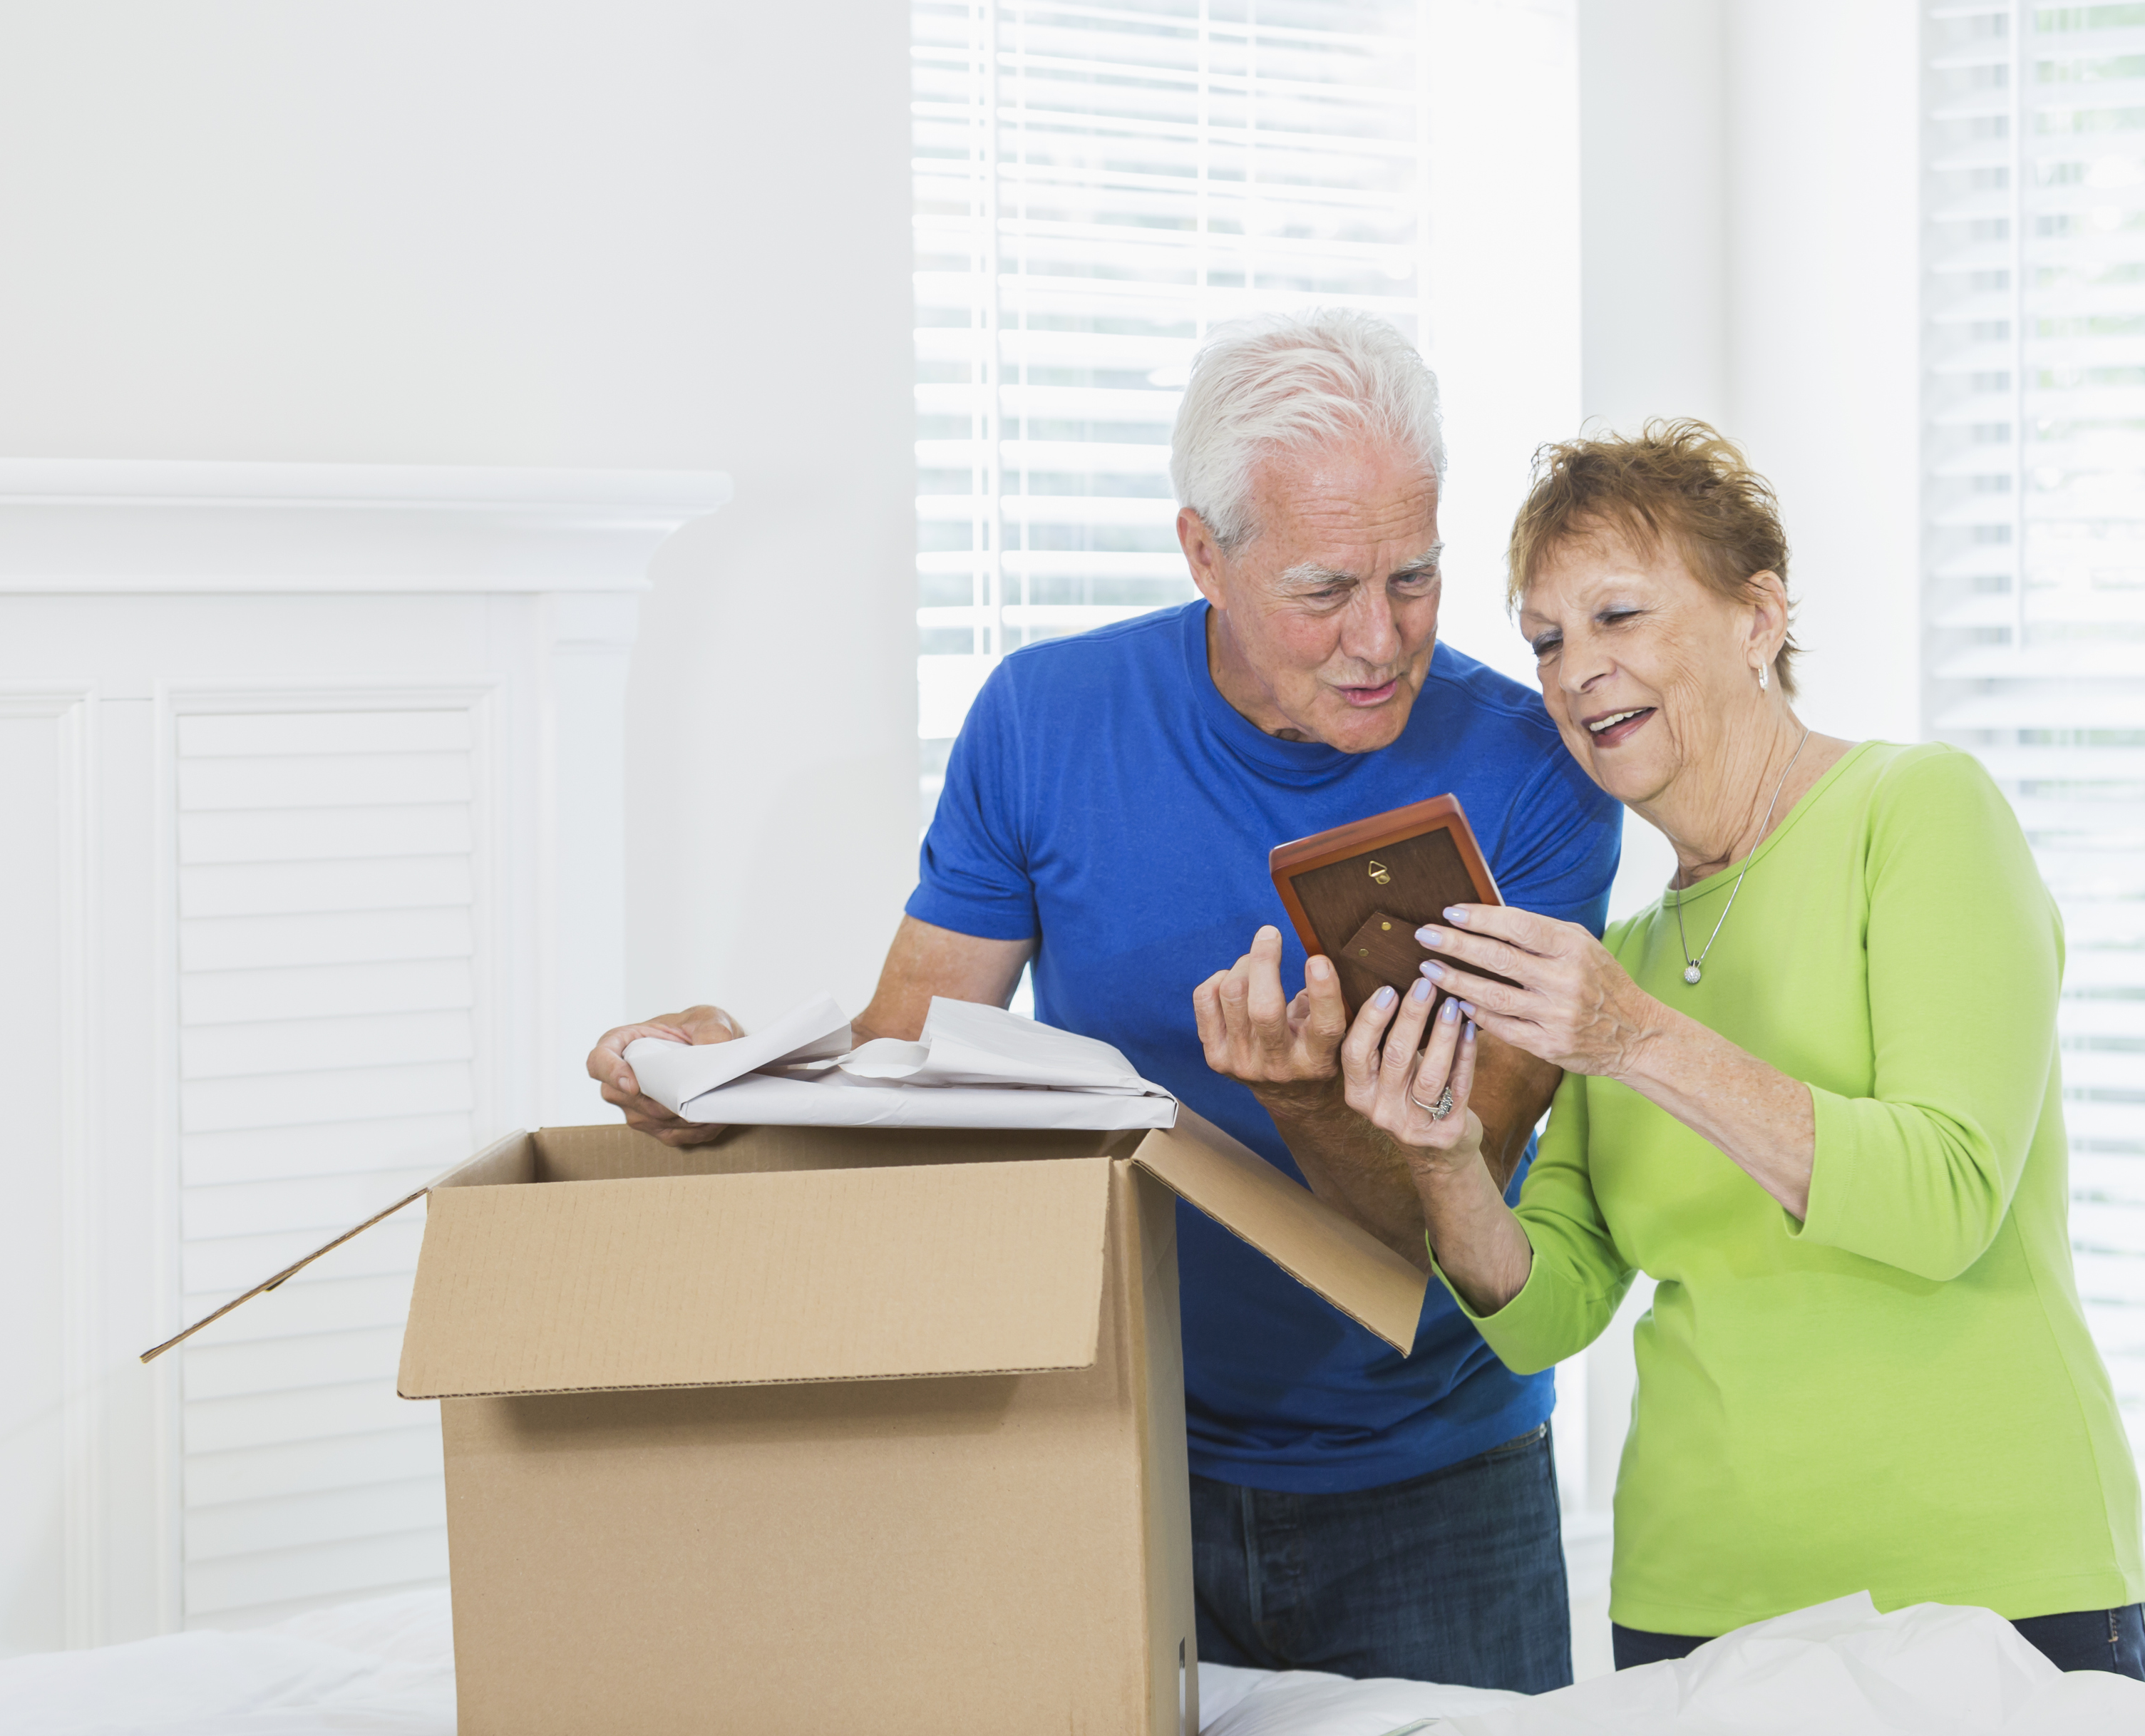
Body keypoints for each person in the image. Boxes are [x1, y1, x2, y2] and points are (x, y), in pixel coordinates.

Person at [585, 310, 1619, 1693]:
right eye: (1326, 590)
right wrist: (734, 1083)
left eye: (1415, 577)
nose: (1382, 639)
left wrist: (1304, 1098)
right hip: (1116, 1452)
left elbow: (1463, 1200)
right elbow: (907, 1063)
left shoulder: (1530, 771)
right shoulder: (1042, 719)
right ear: (1204, 551)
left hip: (1435, 1484)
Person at [1343, 421, 2145, 1680]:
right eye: (1547, 641)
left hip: (1986, 1593)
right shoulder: (1620, 952)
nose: (1575, 672)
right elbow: (1548, 1308)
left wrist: (1637, 1039)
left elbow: (1945, 1201)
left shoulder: (1920, 812)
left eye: (1621, 615)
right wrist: (1444, 1161)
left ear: (1757, 617)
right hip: (1695, 1611)